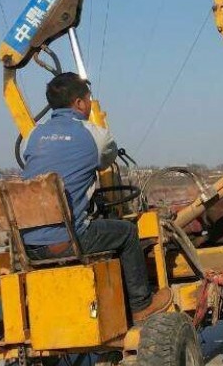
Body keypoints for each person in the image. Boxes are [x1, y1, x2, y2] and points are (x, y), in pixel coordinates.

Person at [21, 72, 171, 322]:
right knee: (126, 232)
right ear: (79, 103)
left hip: (30, 247)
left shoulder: (32, 136)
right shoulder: (94, 135)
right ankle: (142, 304)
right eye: (88, 99)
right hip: (69, 241)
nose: (90, 104)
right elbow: (107, 159)